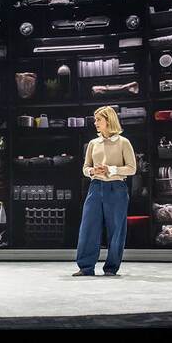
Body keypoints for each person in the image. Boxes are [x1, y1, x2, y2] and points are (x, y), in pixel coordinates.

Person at [74, 106, 136, 277]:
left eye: (98, 120)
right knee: (88, 227)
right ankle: (86, 267)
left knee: (116, 229)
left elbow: (132, 169)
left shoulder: (123, 142)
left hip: (117, 188)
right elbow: (85, 168)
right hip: (95, 187)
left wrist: (111, 169)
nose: (95, 123)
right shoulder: (93, 144)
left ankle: (111, 268)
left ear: (108, 121)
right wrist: (93, 171)